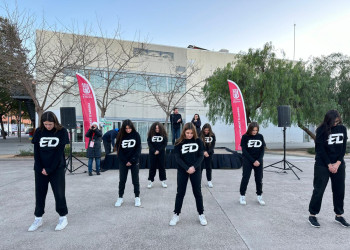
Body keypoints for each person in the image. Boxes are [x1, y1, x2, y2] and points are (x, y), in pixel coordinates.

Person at [28, 111, 69, 232]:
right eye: (45, 124)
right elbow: (36, 152)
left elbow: (59, 153)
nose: (48, 126)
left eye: (50, 124)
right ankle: (38, 218)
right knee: (40, 194)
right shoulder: (39, 131)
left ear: (55, 122)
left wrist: (50, 169)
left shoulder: (62, 131)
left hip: (56, 168)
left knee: (59, 193)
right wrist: (41, 168)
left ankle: (63, 217)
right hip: (40, 169)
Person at [308, 110, 349, 228]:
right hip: (322, 164)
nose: (336, 123)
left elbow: (343, 148)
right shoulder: (321, 130)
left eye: (337, 121)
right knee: (318, 190)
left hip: (338, 164)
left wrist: (337, 163)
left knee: (339, 190)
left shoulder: (342, 129)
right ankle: (312, 215)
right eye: (334, 122)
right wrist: (329, 165)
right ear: (328, 120)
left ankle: (339, 215)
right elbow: (320, 150)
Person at [169, 122, 207, 226]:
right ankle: (176, 214)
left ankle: (201, 214)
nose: (189, 135)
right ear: (184, 132)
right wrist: (186, 168)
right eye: (187, 133)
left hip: (195, 170)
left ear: (194, 132)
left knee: (197, 192)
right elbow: (178, 158)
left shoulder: (198, 141)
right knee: (180, 193)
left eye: (191, 133)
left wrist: (193, 167)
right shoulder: (178, 142)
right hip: (183, 170)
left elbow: (201, 156)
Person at [114, 119, 142, 207]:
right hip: (123, 162)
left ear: (132, 127)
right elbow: (119, 150)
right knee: (122, 180)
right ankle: (120, 197)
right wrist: (126, 161)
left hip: (134, 161)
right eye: (126, 128)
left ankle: (137, 197)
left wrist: (132, 160)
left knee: (135, 180)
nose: (128, 130)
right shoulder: (120, 135)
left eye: (129, 128)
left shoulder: (136, 135)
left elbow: (138, 149)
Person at [239, 122, 266, 206]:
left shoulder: (260, 136)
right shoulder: (245, 137)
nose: (254, 132)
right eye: (253, 130)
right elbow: (244, 150)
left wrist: (259, 160)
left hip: (258, 161)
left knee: (259, 179)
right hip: (248, 160)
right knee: (245, 178)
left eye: (256, 130)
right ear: (250, 129)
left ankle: (259, 195)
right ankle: (242, 195)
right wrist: (252, 160)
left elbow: (262, 149)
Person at [147, 122, 168, 188]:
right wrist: (154, 150)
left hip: (161, 153)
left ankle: (163, 181)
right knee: (152, 167)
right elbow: (149, 143)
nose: (157, 129)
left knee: (162, 167)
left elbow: (164, 144)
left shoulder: (163, 134)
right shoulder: (151, 134)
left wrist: (159, 150)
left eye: (158, 128)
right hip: (152, 153)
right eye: (156, 128)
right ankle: (150, 181)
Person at [200, 123, 216, 188]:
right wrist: (203, 152)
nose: (206, 131)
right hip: (201, 154)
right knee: (200, 168)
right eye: (205, 130)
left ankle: (209, 181)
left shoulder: (212, 135)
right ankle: (199, 181)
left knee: (208, 167)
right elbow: (199, 144)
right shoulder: (200, 135)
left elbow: (212, 146)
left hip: (209, 154)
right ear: (203, 129)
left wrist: (207, 152)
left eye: (208, 130)